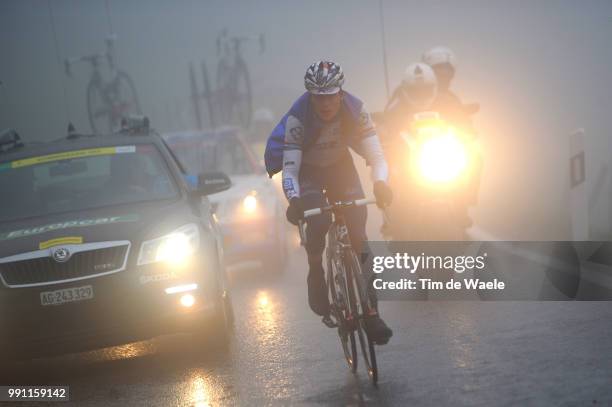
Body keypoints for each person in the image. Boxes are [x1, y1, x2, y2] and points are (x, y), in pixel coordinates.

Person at [280, 61, 393, 344]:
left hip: (341, 169)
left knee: (359, 236)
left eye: (331, 95)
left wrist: (380, 184)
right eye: (318, 97)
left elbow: (377, 157)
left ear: (341, 93)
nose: (326, 103)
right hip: (309, 172)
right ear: (310, 96)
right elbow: (290, 170)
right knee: (318, 221)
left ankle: (372, 313)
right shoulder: (298, 117)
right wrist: (294, 201)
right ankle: (316, 269)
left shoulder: (357, 110)